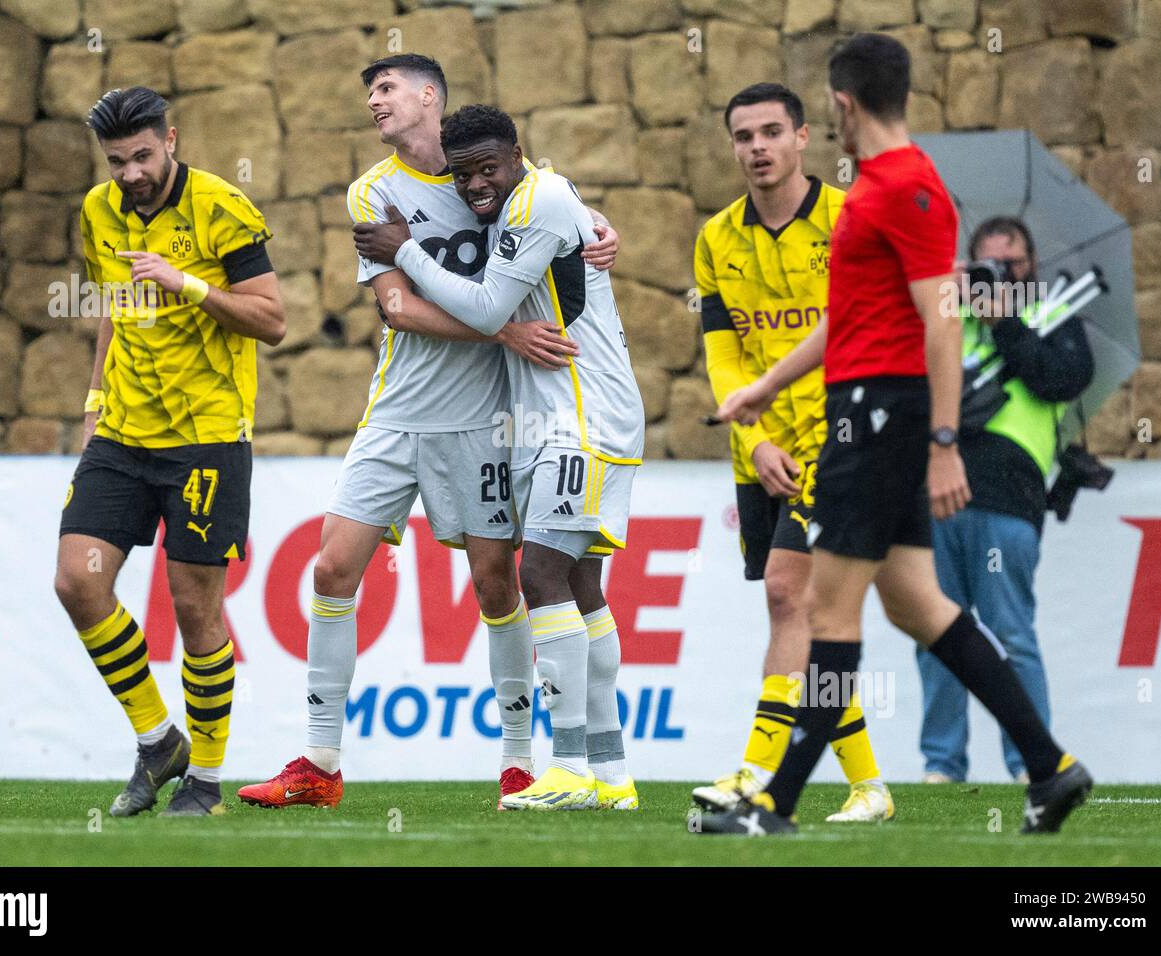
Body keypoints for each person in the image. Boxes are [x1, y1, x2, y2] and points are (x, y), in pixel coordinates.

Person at [704, 33, 1092, 836]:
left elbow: (942, 322)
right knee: (921, 608)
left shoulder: (904, 188)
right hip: (868, 411)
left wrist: (944, 441)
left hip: (877, 420)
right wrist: (768, 385)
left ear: (841, 108)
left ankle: (773, 804)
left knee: (824, 611)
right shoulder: (879, 188)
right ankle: (1051, 769)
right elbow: (848, 318)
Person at [238, 56, 620, 811]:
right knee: (330, 568)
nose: (374, 102)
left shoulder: (488, 173)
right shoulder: (374, 191)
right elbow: (398, 310)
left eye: (385, 88)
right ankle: (320, 762)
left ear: (427, 97)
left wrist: (603, 229)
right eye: (368, 92)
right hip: (397, 410)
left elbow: (561, 207)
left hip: (484, 420)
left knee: (495, 585)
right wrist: (506, 331)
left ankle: (518, 762)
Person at [354, 104, 644, 811]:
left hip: (582, 419)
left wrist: (406, 250)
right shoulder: (531, 196)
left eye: (490, 167)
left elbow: (486, 311)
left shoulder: (537, 198)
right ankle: (612, 775)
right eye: (465, 174)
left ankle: (568, 768)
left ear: (517, 154)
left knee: (538, 573)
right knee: (580, 589)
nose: (478, 183)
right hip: (559, 420)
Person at [55, 86, 286, 817]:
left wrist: (187, 284)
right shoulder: (98, 211)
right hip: (122, 432)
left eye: (143, 156)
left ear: (172, 141)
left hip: (207, 437)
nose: (130, 173)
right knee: (76, 582)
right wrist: (93, 405)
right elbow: (110, 312)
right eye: (118, 161)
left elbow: (272, 320)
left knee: (194, 609)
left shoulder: (223, 208)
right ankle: (159, 742)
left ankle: (207, 782)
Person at [689, 82, 893, 823]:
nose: (758, 148)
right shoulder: (716, 239)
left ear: (805, 138)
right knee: (804, 613)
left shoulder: (848, 221)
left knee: (787, 592)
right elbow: (723, 361)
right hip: (763, 451)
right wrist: (755, 437)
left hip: (842, 442)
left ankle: (758, 771)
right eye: (744, 136)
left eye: (772, 132)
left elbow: (860, 330)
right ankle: (869, 785)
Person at [917, 216, 1093, 783]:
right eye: (988, 264)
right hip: (938, 491)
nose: (1000, 274)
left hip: (1010, 499)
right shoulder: (948, 316)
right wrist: (954, 293)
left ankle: (1030, 763)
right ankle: (942, 765)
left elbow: (1062, 379)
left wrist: (1006, 321)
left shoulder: (1053, 315)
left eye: (1011, 265)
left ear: (1032, 266)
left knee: (1011, 633)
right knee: (935, 631)